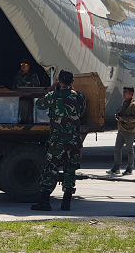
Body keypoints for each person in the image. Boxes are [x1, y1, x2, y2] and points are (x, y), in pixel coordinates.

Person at [32, 70, 86, 212]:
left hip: (58, 140)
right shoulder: (80, 97)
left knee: (50, 169)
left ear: (59, 81)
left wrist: (50, 89)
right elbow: (81, 113)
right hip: (74, 140)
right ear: (72, 81)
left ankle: (45, 202)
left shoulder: (53, 96)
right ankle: (66, 203)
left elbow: (39, 104)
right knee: (70, 170)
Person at [107, 87, 135, 176]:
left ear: (131, 94)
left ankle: (130, 169)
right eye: (123, 92)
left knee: (129, 150)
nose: (124, 94)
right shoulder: (124, 103)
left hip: (130, 131)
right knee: (117, 149)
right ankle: (116, 168)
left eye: (126, 92)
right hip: (121, 130)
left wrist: (124, 119)